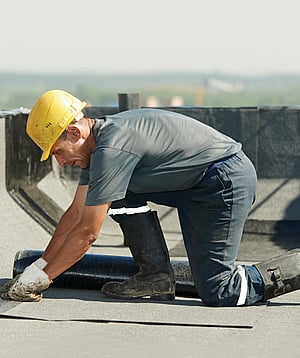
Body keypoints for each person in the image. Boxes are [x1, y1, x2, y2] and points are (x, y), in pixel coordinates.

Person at [1, 89, 299, 305]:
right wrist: (38, 266)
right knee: (112, 193)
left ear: (74, 132)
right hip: (193, 185)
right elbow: (75, 215)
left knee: (221, 290)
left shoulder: (111, 150)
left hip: (223, 183)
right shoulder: (95, 151)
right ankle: (155, 278)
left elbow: (87, 233)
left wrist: (44, 278)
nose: (60, 162)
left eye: (58, 152)